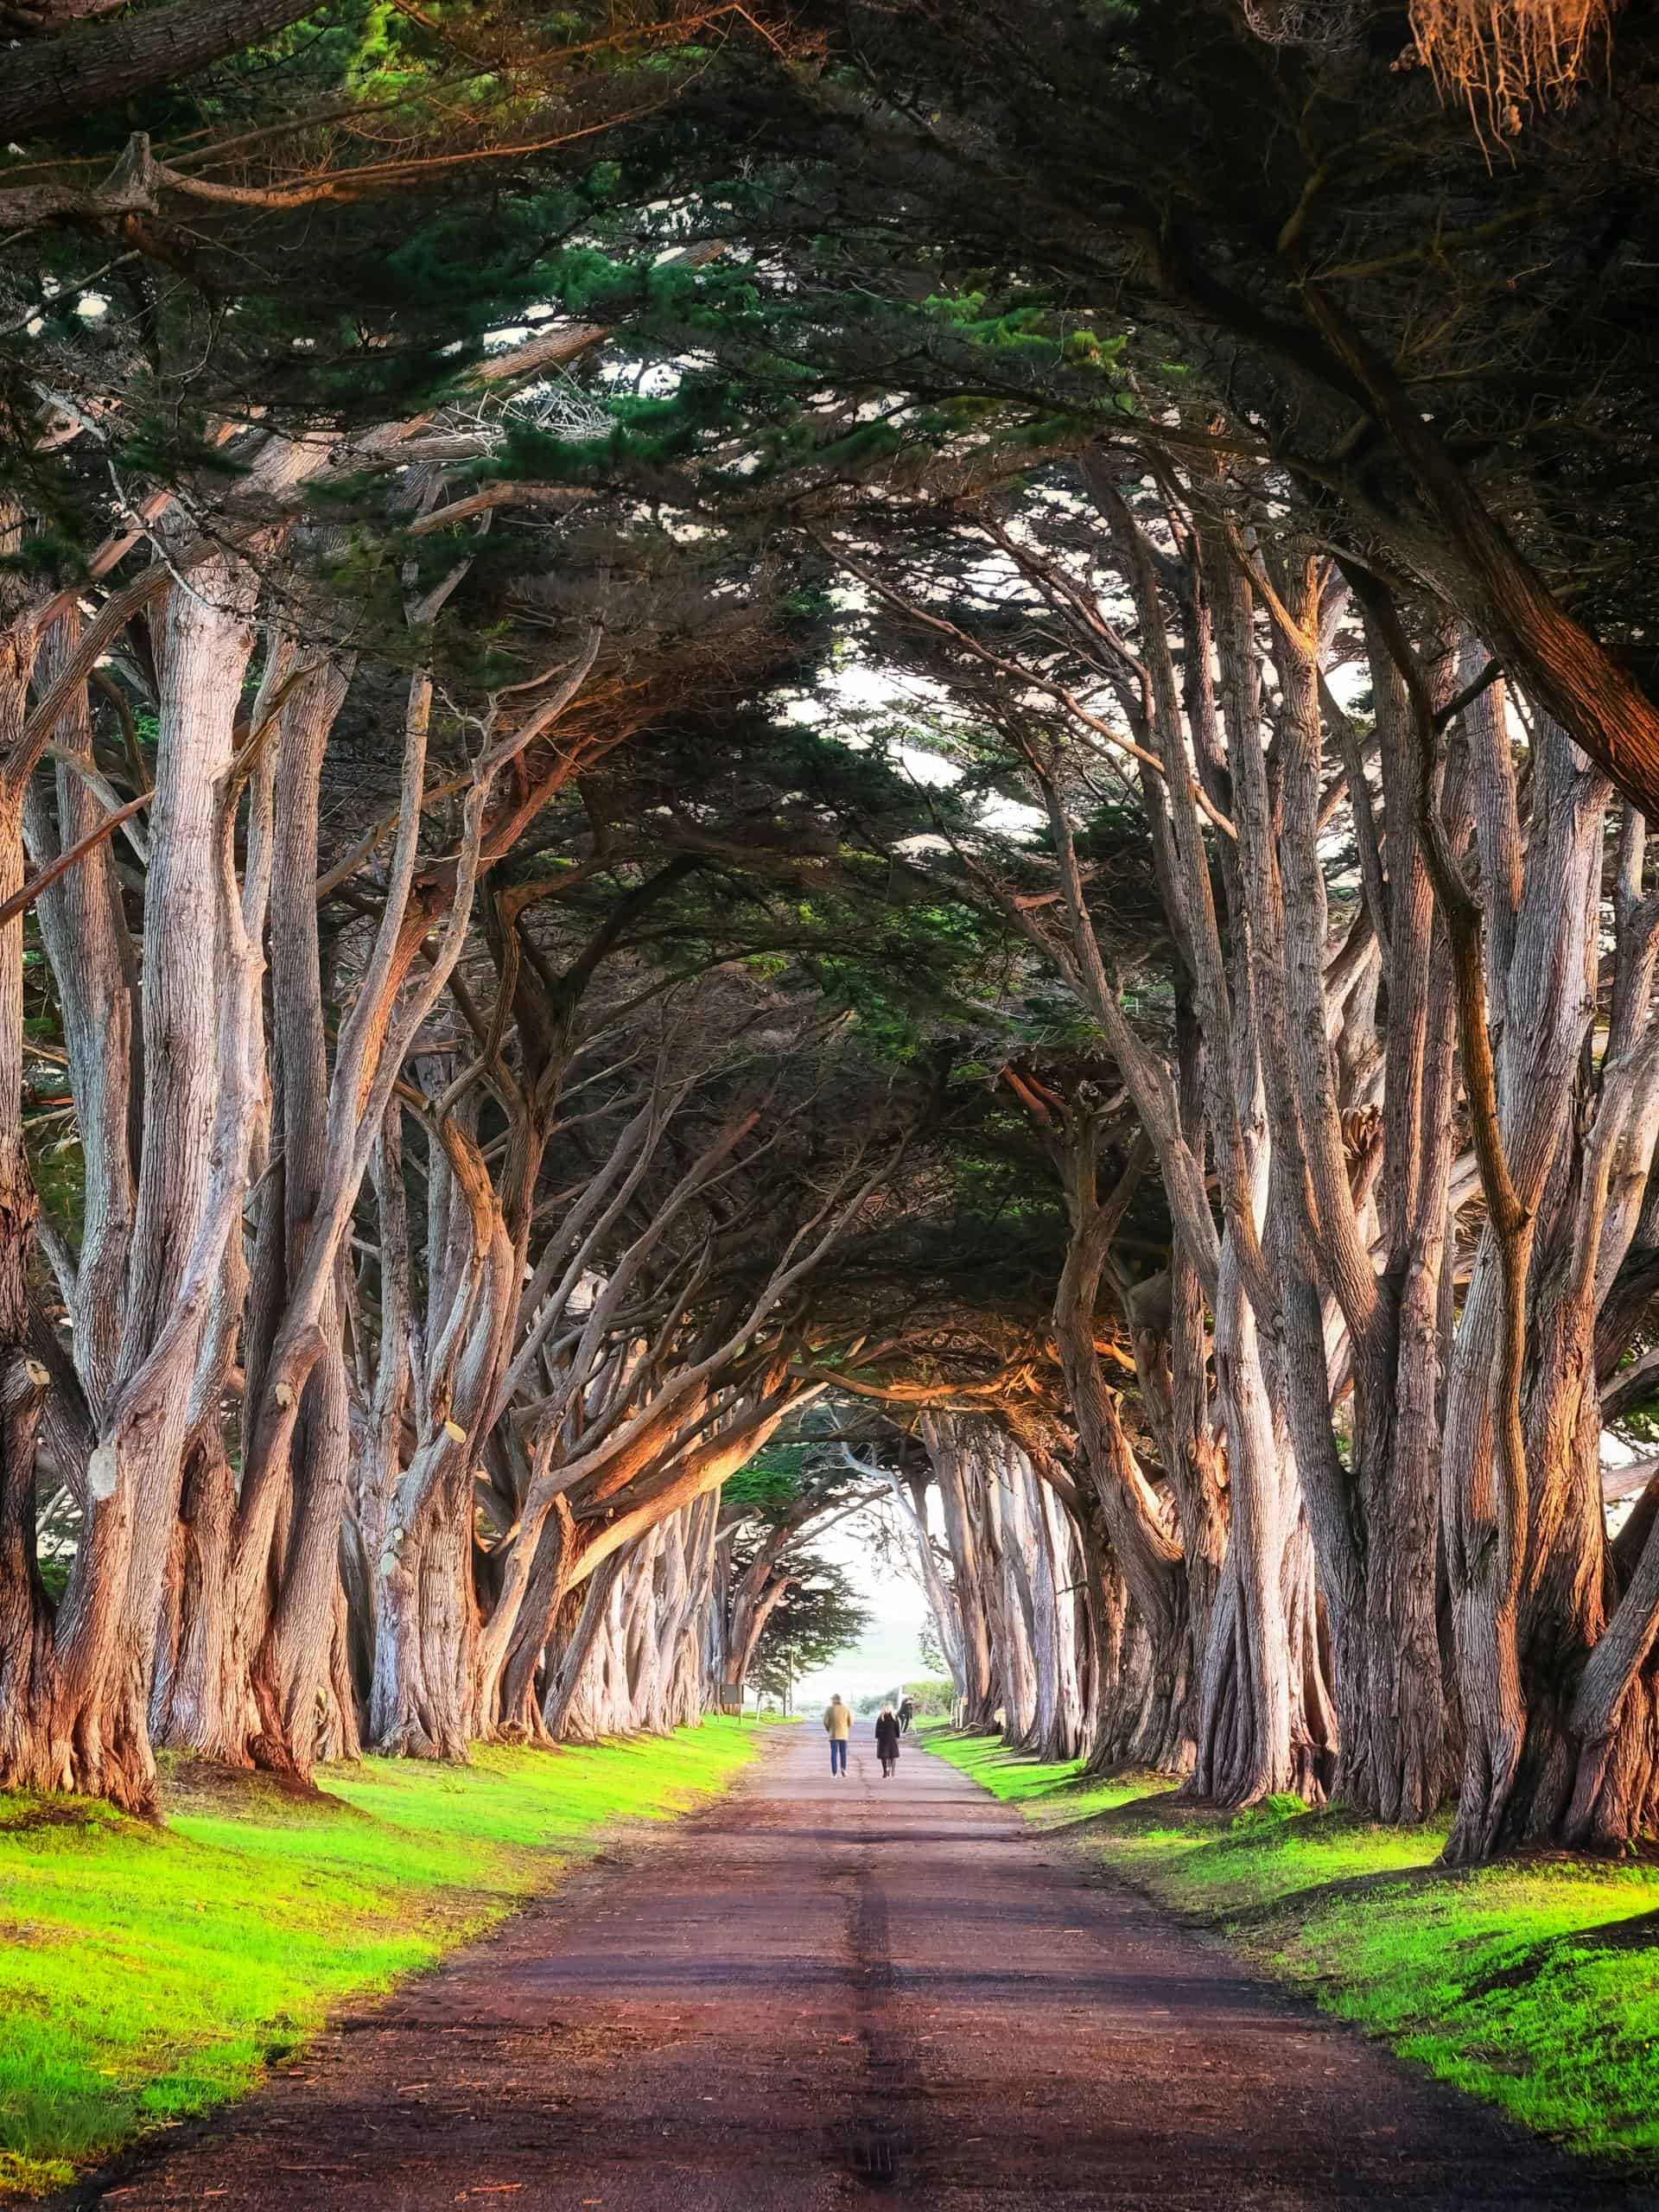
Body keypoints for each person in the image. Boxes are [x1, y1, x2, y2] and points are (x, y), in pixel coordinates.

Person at [823, 1692, 853, 1777]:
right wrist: (845, 1727)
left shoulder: (829, 1709)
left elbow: (825, 1722)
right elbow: (851, 1721)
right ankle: (843, 1769)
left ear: (833, 1700)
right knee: (843, 1753)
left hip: (833, 1735)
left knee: (834, 1753)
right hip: (843, 1734)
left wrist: (829, 1730)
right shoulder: (846, 1708)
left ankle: (834, 1773)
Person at [874, 1707, 901, 1778]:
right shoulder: (894, 1718)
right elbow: (897, 1729)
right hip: (892, 1738)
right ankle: (892, 1772)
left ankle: (885, 1772)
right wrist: (897, 1736)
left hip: (883, 1739)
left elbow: (877, 1729)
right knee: (893, 1755)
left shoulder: (881, 1718)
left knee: (884, 1756)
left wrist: (877, 1736)